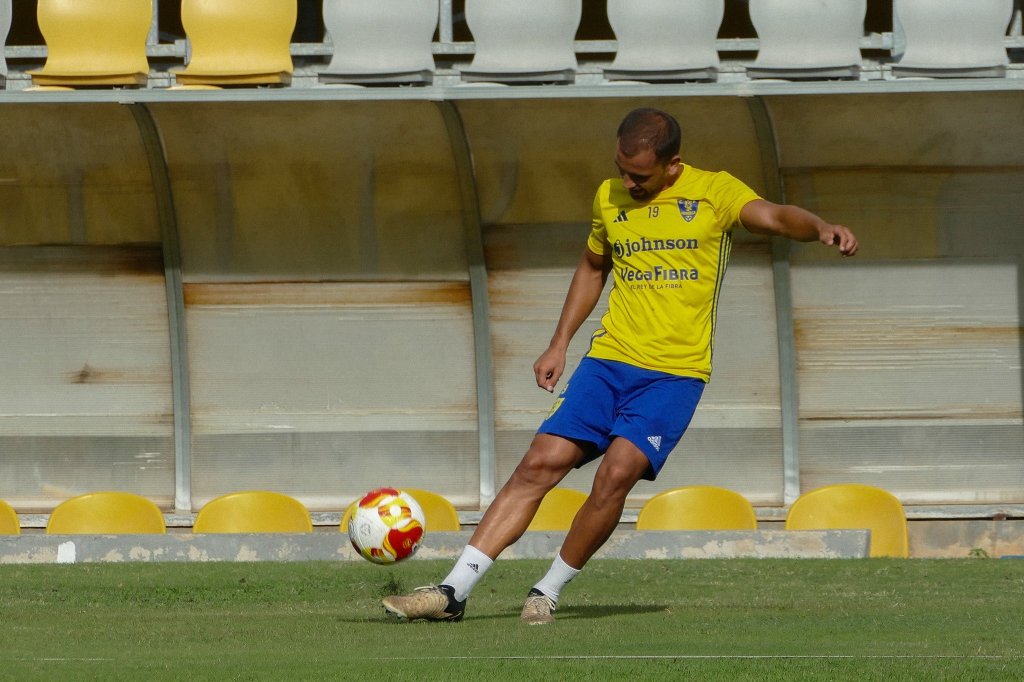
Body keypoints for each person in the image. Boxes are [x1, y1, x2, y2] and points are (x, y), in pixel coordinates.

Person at [382, 107, 858, 625]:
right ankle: (452, 592)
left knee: (616, 474)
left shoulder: (713, 191)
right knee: (538, 463)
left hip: (674, 374)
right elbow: (593, 266)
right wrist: (558, 342)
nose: (626, 181)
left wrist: (820, 228)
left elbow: (776, 215)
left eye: (639, 175)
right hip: (608, 361)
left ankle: (546, 591)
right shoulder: (609, 197)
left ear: (673, 164)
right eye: (621, 169)